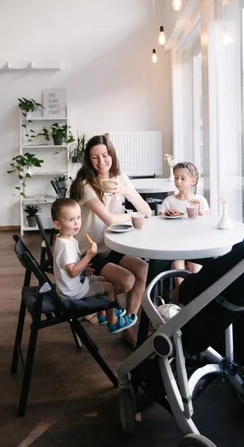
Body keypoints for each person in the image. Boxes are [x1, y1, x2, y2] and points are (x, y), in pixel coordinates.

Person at [70, 134, 151, 347]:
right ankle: (95, 305)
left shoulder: (120, 177)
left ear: (111, 155)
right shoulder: (86, 184)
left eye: (105, 155)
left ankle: (126, 323)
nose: (101, 162)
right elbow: (109, 218)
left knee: (142, 268)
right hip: (88, 251)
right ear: (89, 160)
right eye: (94, 157)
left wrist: (125, 191)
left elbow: (147, 211)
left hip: (111, 245)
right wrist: (133, 217)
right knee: (125, 281)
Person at [51, 198, 137, 334]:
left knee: (102, 279)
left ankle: (103, 315)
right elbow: (72, 272)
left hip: (73, 285)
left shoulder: (67, 238)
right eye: (70, 220)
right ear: (57, 225)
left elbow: (71, 267)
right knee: (109, 287)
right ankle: (113, 321)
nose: (77, 222)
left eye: (78, 217)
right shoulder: (65, 246)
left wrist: (84, 269)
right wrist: (89, 256)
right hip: (72, 292)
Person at [160, 162, 210, 286]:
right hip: (175, 245)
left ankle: (194, 299)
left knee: (196, 274)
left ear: (193, 181)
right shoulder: (169, 201)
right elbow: (158, 222)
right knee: (179, 273)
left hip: (195, 244)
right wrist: (167, 214)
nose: (178, 181)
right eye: (176, 177)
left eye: (183, 178)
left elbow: (208, 222)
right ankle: (179, 298)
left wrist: (200, 211)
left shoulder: (200, 201)